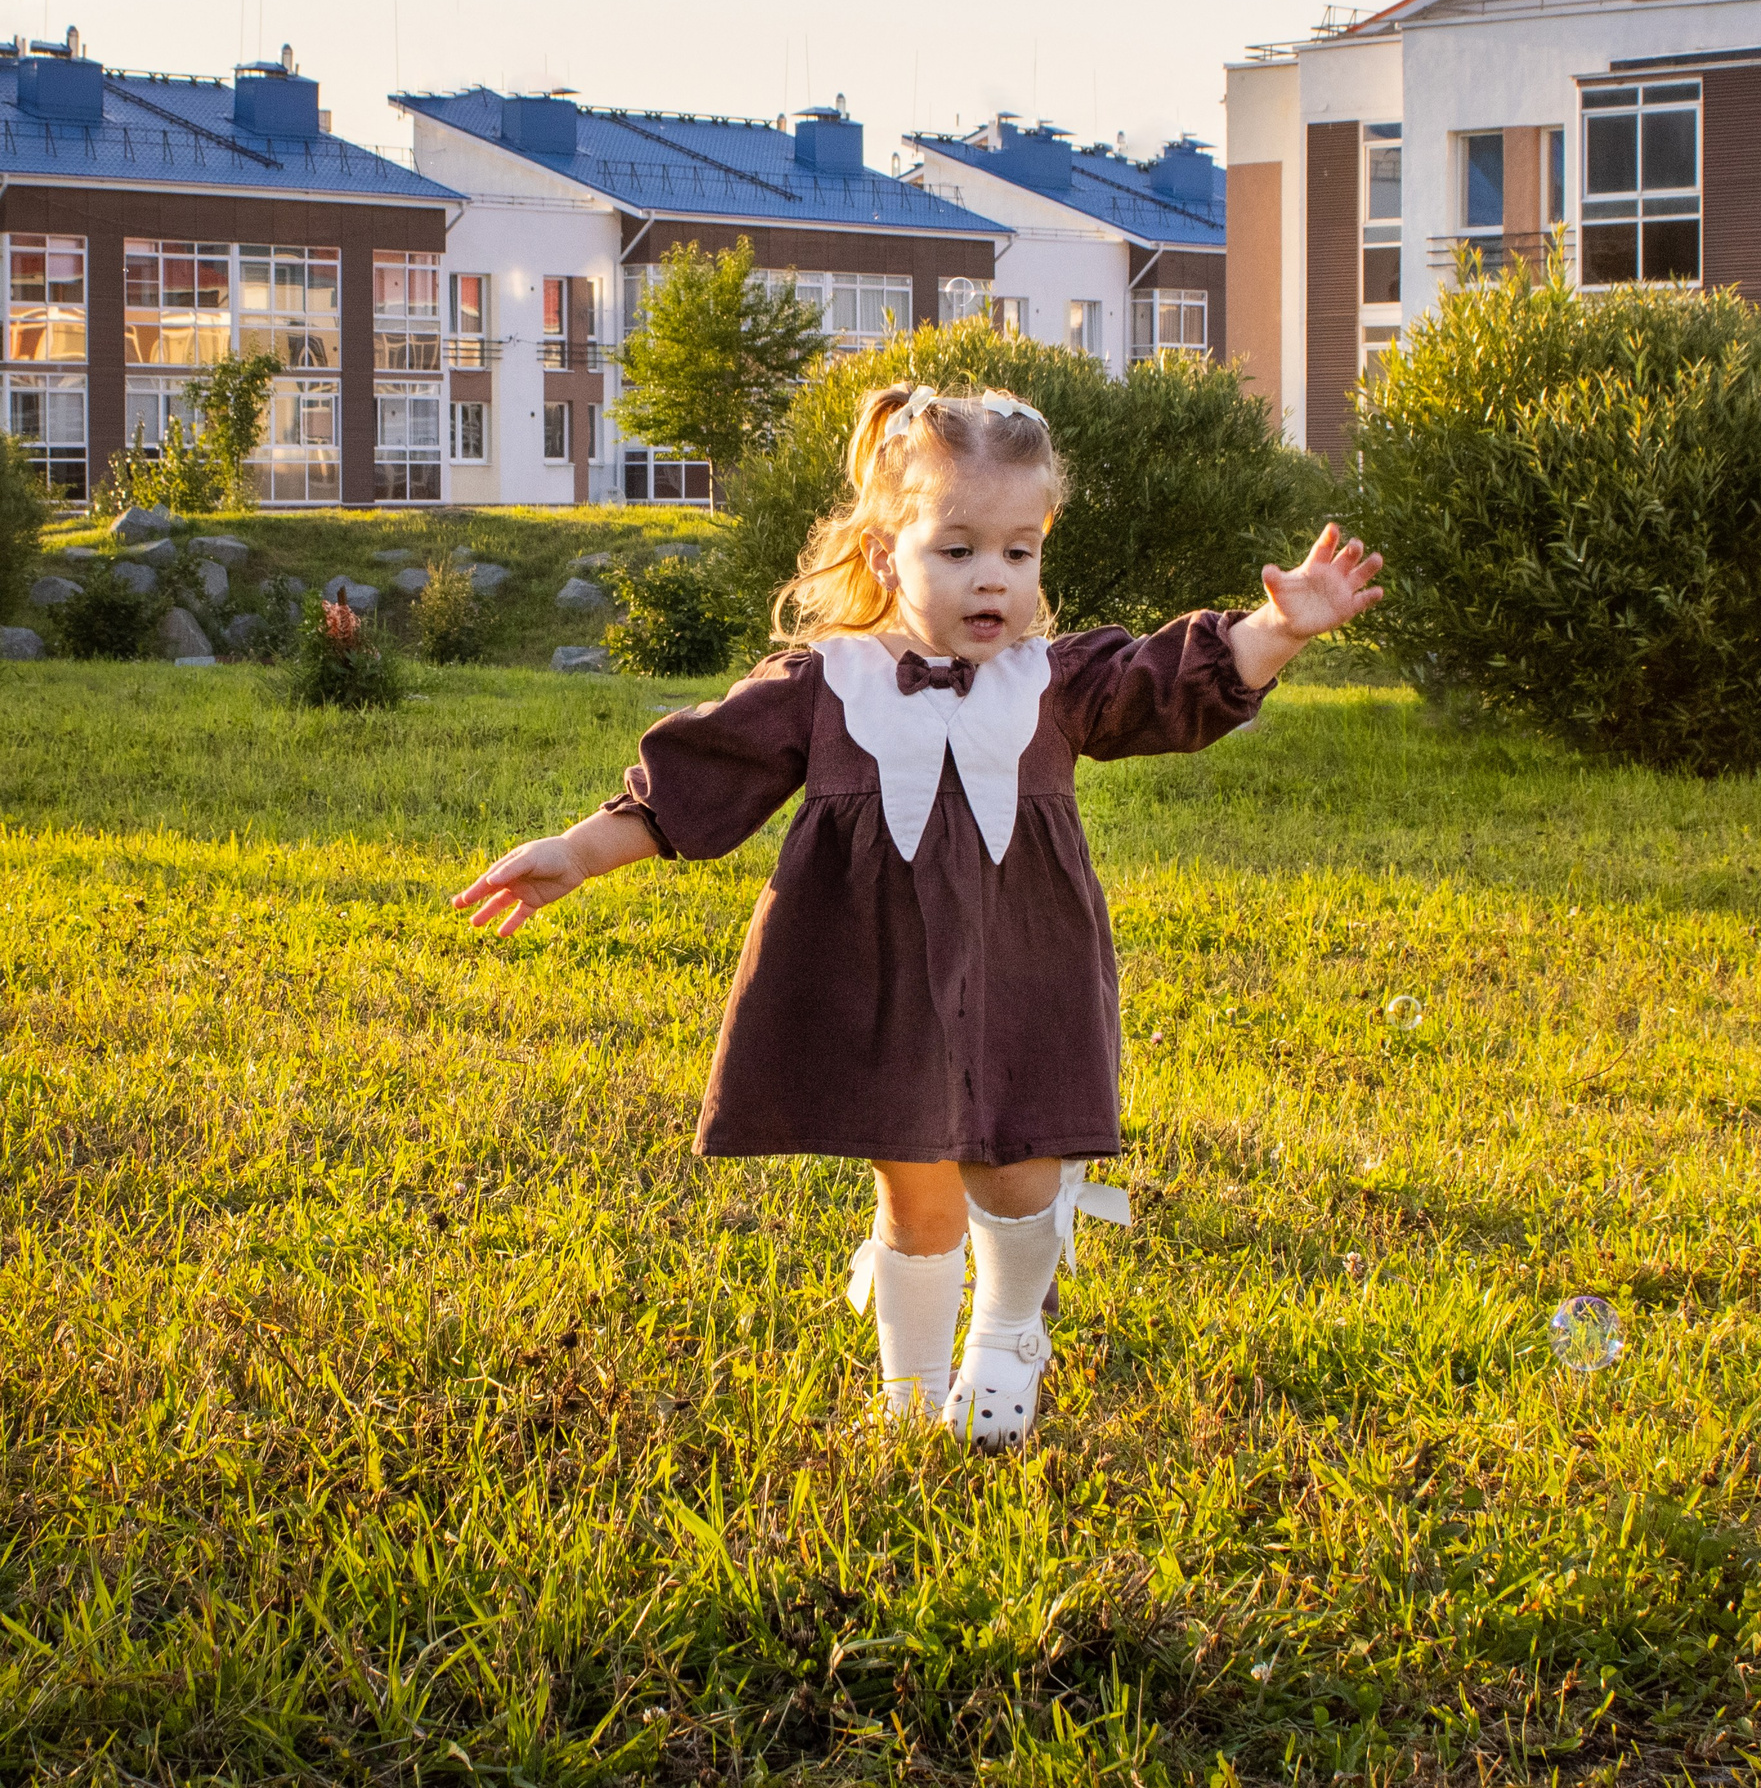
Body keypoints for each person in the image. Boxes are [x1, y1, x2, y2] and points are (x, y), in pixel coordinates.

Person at [450, 384, 1382, 1450]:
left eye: (1020, 552)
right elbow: (701, 778)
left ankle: (1009, 1337)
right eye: (958, 549)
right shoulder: (825, 683)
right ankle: (907, 1392)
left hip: (1024, 968)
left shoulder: (1055, 681)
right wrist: (578, 852)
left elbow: (1168, 686)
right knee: (916, 1189)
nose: (994, 577)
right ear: (885, 554)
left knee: (1020, 1171)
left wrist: (1277, 628)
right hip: (877, 978)